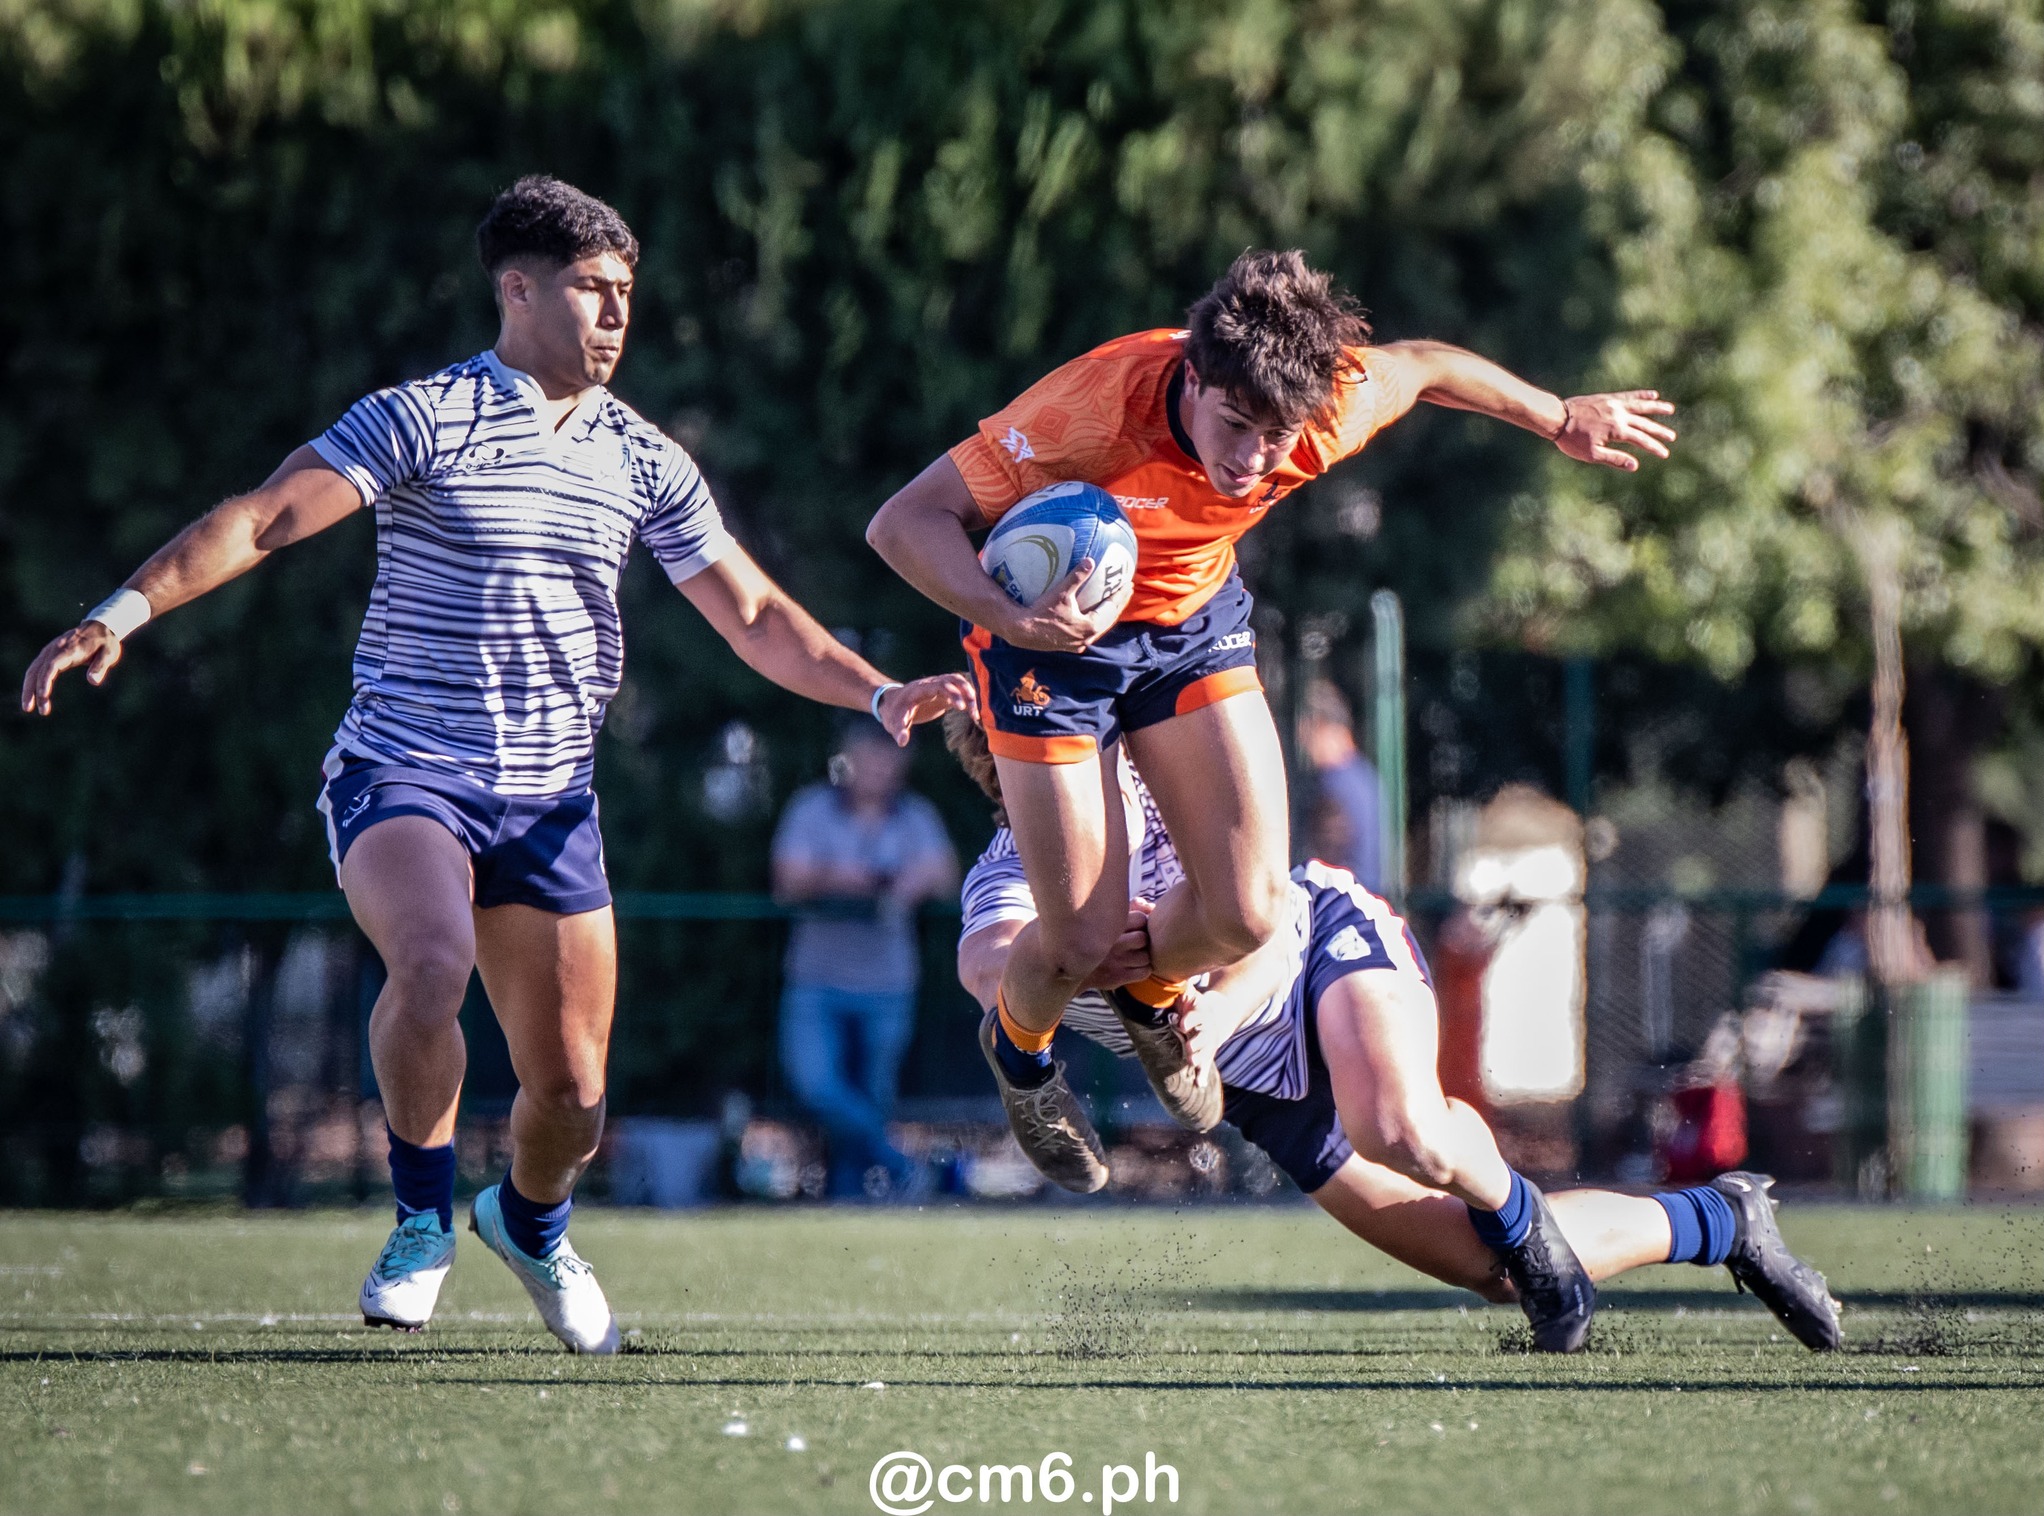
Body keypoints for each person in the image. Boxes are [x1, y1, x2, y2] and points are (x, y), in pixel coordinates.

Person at [20, 176, 973, 1352]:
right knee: (430, 959)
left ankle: (528, 1222)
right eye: (592, 290)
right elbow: (265, 517)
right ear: (516, 288)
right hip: (402, 771)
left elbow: (754, 615)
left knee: (573, 1096)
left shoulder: (643, 458)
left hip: (550, 801)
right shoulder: (425, 415)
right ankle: (420, 1218)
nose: (617, 316)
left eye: (628, 294)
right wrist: (123, 610)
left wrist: (877, 690)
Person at [869, 250, 1675, 1191]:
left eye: (1278, 434)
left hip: (1187, 624)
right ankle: (1020, 1054)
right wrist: (1012, 616)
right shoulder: (1089, 411)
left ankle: (1155, 992)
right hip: (1049, 644)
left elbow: (1422, 364)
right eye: (1236, 425)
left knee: (1249, 914)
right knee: (1079, 937)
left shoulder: (1324, 406)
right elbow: (903, 522)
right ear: (1194, 377)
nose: (1254, 460)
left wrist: (1557, 416)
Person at [945, 713, 1841, 1353]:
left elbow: (1264, 921)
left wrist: (1207, 1014)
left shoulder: (1158, 798)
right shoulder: (1007, 881)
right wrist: (1059, 962)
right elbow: (990, 966)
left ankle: (1523, 1220)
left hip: (1319, 958)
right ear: (1010, 779)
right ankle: (1722, 1219)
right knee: (1486, 1272)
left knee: (1402, 1126)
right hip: (1263, 1092)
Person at [771, 721, 959, 1198]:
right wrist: (852, 880)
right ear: (846, 758)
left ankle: (848, 1200)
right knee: (817, 1085)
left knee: (874, 1096)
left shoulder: (916, 816)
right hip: (816, 979)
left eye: (888, 756)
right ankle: (904, 1164)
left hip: (888, 981)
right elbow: (789, 879)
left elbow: (944, 873)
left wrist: (908, 883)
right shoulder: (812, 809)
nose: (879, 766)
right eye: (868, 755)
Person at [1300, 680, 1380, 885]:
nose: (1303, 742)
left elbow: (1327, 862)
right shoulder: (1366, 775)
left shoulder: (1333, 784)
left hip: (1342, 905)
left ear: (1320, 725)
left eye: (1306, 731)